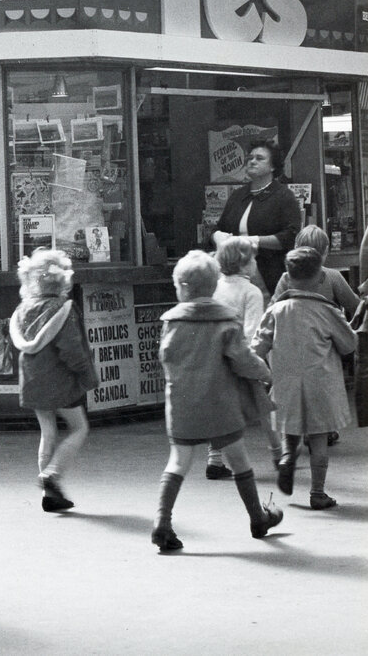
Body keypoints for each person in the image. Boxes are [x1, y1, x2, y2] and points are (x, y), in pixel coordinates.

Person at [151, 251, 282, 553]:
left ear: (182, 288)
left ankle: (162, 522)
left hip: (181, 404)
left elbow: (166, 358)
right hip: (221, 404)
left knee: (178, 462)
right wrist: (265, 373)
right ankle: (257, 518)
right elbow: (242, 360)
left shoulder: (170, 322)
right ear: (213, 287)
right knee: (239, 461)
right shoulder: (226, 321)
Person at [252, 246, 357, 509]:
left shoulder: (276, 311)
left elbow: (257, 347)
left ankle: (288, 458)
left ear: (287, 276)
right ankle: (318, 493)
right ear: (321, 276)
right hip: (321, 383)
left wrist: (264, 373)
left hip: (285, 382)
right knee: (319, 437)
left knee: (291, 429)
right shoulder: (327, 311)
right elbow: (349, 344)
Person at [8, 250, 97, 512]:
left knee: (48, 431)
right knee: (79, 428)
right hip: (60, 381)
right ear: (63, 280)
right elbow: (72, 351)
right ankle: (52, 474)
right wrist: (87, 377)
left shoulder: (22, 310)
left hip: (33, 380)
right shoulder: (64, 310)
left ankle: (50, 494)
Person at [205, 237, 281, 479]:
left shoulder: (214, 287)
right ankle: (280, 455)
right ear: (244, 264)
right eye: (253, 258)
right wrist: (257, 364)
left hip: (217, 359)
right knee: (264, 407)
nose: (256, 263)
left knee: (220, 411)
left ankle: (214, 460)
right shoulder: (252, 292)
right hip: (241, 357)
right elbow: (253, 331)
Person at [212, 141, 301, 293]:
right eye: (250, 158)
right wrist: (217, 236)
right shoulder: (237, 195)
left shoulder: (284, 196)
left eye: (260, 158)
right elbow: (218, 228)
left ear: (273, 167)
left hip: (269, 277)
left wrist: (254, 240)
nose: (252, 161)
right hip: (232, 276)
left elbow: (290, 236)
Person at [271, 225, 360, 317]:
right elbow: (355, 307)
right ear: (325, 251)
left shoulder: (286, 278)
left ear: (295, 247)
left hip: (295, 328)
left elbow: (273, 311)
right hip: (326, 329)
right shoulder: (332, 276)